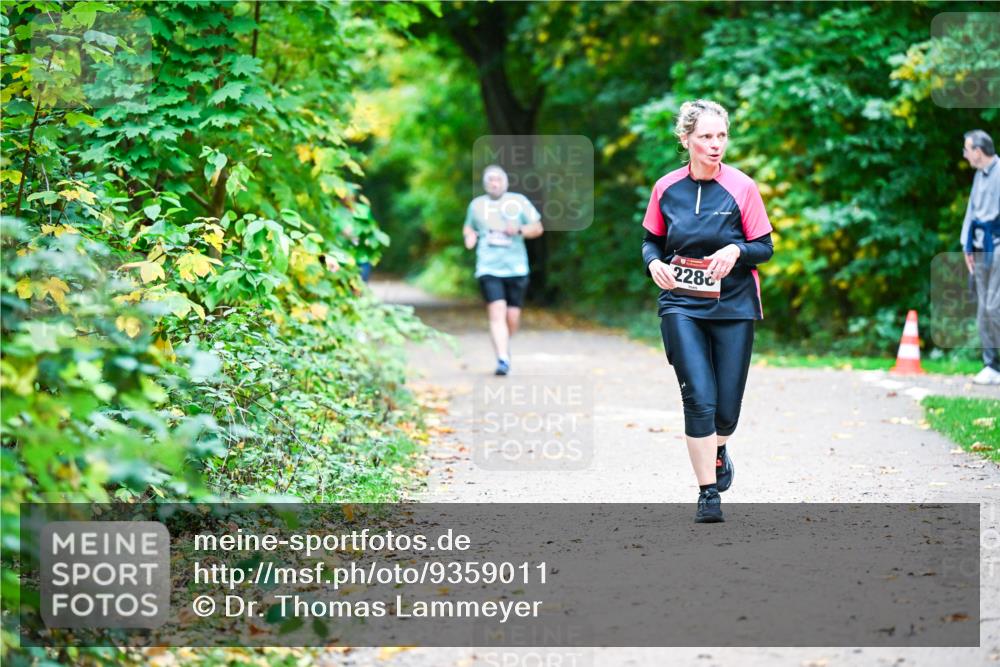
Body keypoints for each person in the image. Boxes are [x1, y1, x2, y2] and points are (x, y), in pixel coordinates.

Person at [641, 99, 774, 523]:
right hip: (681, 303)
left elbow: (765, 248)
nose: (716, 145)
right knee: (698, 395)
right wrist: (654, 263)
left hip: (733, 304)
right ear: (686, 140)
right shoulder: (666, 188)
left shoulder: (742, 187)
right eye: (706, 137)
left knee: (726, 409)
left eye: (721, 136)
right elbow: (650, 241)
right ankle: (707, 492)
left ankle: (719, 448)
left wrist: (736, 249)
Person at [463, 165, 544, 375]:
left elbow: (537, 228)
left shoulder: (518, 202)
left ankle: (504, 346)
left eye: (498, 179)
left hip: (516, 268)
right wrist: (469, 237)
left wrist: (518, 229)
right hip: (488, 267)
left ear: (505, 183)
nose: (494, 183)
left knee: (512, 318)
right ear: (485, 183)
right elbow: (468, 227)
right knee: (497, 313)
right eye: (490, 179)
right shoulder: (476, 205)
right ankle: (502, 358)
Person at [959, 129, 1000, 386]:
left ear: (978, 150)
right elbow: (971, 212)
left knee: (994, 307)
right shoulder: (978, 176)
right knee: (982, 310)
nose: (965, 155)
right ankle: (991, 365)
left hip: (997, 247)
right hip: (979, 248)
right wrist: (966, 246)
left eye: (967, 149)